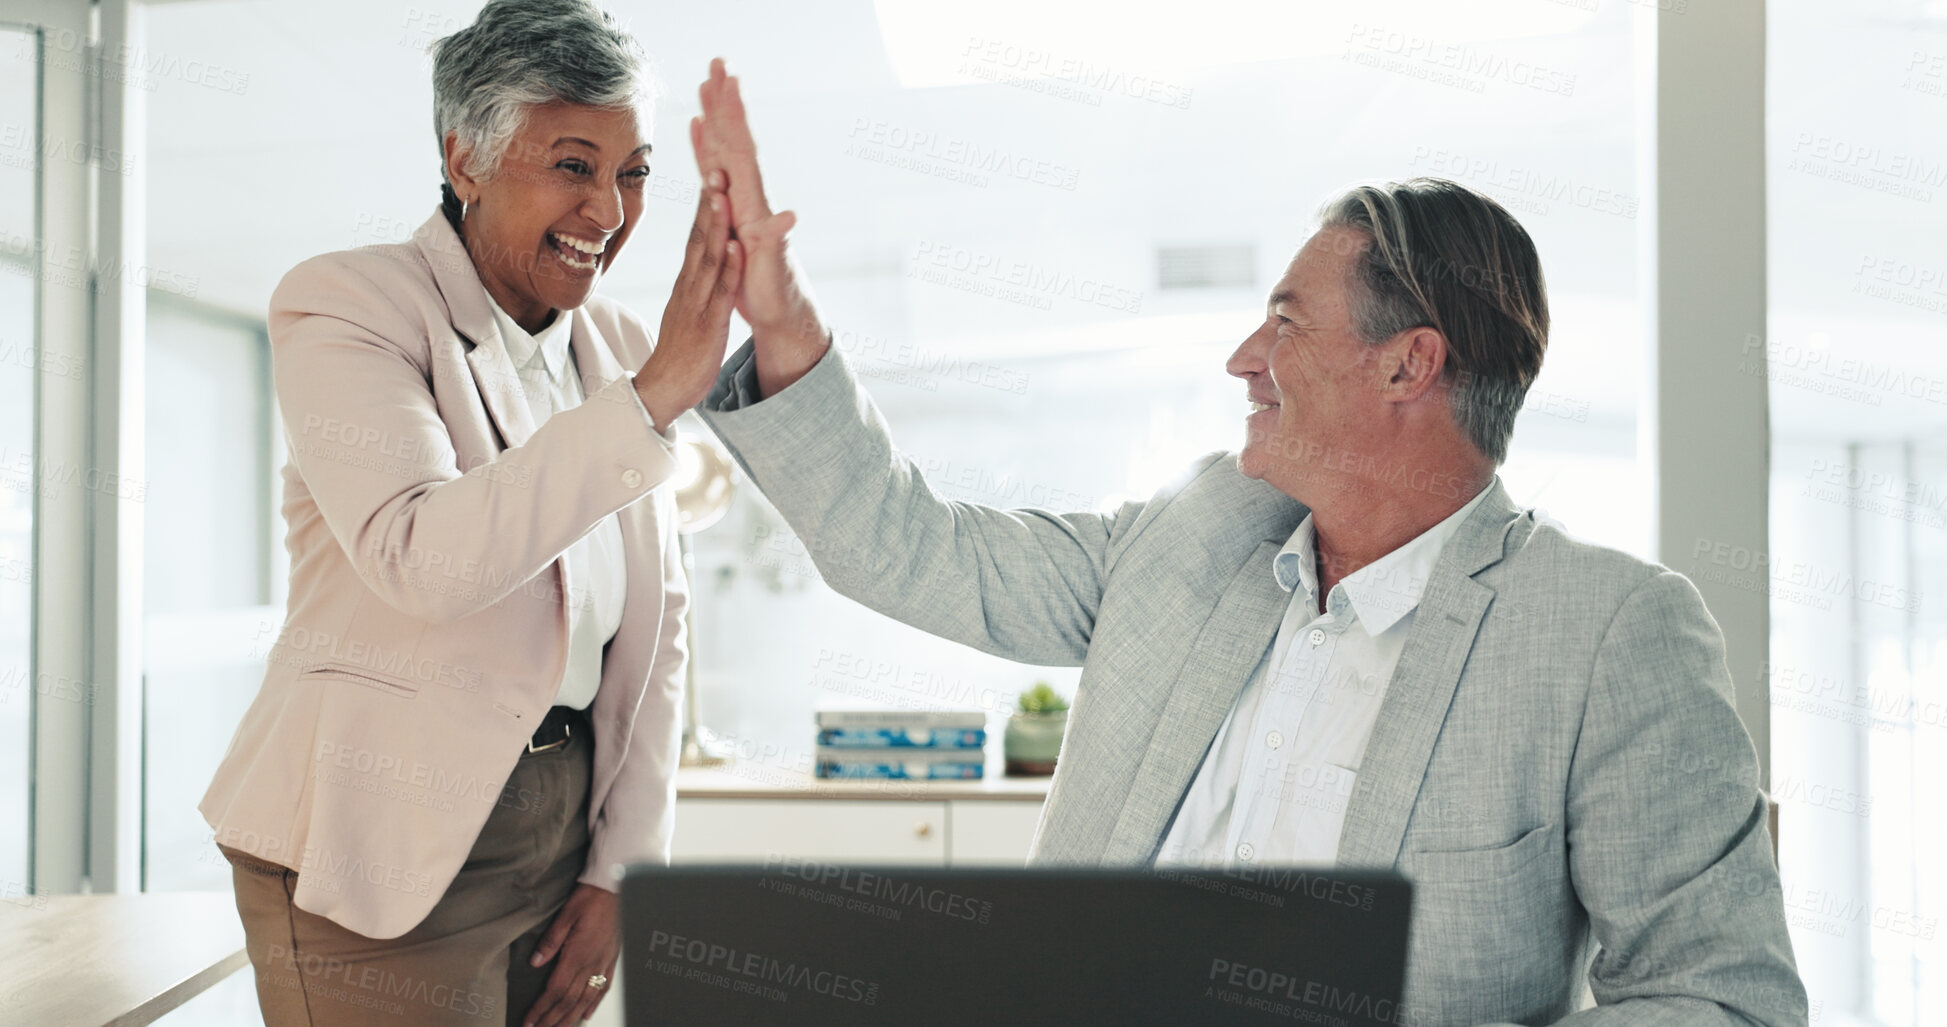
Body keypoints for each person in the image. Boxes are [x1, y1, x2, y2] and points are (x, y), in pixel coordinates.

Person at [686, 63, 1809, 1025]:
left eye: (1286, 321)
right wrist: (780, 322)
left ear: (1407, 365)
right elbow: (909, 548)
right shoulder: (1196, 538)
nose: (1241, 358)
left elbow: (1723, 996)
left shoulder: (1607, 632)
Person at [197, 4, 745, 1024]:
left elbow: (658, 626)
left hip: (561, 831)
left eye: (632, 172)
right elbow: (421, 555)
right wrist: (652, 397)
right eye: (573, 166)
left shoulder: (617, 342)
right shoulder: (351, 306)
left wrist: (621, 868)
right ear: (466, 160)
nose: (611, 211)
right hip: (377, 839)